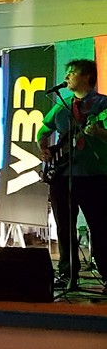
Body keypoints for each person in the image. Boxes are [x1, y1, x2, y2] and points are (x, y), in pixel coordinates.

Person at [37, 59, 107, 292]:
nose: (66, 77)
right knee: (64, 227)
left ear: (87, 76)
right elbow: (43, 130)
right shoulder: (62, 105)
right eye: (66, 73)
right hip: (62, 175)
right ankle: (68, 273)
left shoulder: (103, 104)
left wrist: (99, 133)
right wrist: (44, 149)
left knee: (100, 226)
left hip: (93, 175)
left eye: (72, 73)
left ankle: (106, 273)